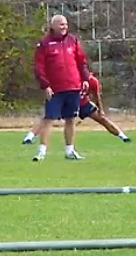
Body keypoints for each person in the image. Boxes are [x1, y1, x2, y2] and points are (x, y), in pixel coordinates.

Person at [32, 14, 90, 161]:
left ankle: (70, 150)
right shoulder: (45, 44)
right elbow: (39, 67)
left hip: (73, 86)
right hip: (55, 89)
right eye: (61, 25)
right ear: (53, 26)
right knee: (49, 118)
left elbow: (81, 61)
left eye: (65, 24)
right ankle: (42, 151)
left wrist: (85, 79)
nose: (64, 27)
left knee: (70, 118)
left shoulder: (73, 40)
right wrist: (45, 85)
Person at [22, 71, 131, 144]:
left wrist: (101, 109)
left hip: (83, 103)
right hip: (68, 103)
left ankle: (123, 136)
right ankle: (29, 137)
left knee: (102, 119)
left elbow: (96, 96)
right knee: (48, 119)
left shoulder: (93, 81)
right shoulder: (72, 77)